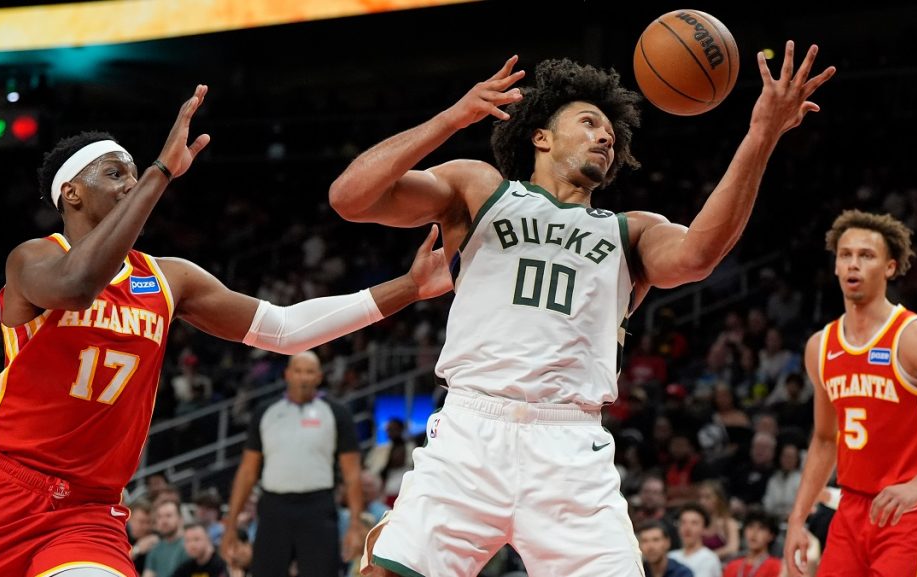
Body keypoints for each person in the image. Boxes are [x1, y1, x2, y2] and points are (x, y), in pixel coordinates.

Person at [329, 41, 834, 577]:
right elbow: (350, 197)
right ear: (541, 137)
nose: (605, 137)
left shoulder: (631, 231)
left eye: (611, 134)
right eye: (590, 123)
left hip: (570, 449)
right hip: (471, 432)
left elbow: (698, 255)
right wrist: (451, 119)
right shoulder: (479, 190)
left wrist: (761, 135)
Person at [0, 85, 453, 577]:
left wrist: (410, 287)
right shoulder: (33, 258)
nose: (131, 183)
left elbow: (286, 329)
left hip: (88, 513)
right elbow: (78, 286)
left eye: (135, 174)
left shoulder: (169, 278)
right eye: (115, 173)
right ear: (71, 193)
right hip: (5, 488)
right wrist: (160, 172)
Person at [783, 210, 917, 577]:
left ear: (890, 267)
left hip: (913, 509)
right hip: (852, 508)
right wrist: (798, 518)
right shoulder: (820, 346)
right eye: (845, 255)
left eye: (866, 255)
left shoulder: (916, 337)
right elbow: (825, 439)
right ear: (835, 266)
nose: (853, 264)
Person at [221, 350, 363, 577]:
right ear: (287, 374)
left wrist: (355, 523)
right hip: (273, 507)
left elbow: (352, 473)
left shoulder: (337, 413)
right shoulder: (265, 412)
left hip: (318, 507)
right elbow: (247, 471)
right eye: (298, 371)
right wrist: (230, 525)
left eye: (309, 372)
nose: (303, 377)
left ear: (319, 376)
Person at [722, 508, 782, 577]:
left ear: (771, 536)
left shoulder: (776, 566)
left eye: (761, 528)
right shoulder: (732, 566)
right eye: (750, 527)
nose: (754, 533)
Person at [669, 503, 723, 577]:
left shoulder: (709, 559)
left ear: (704, 528)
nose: (687, 528)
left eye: (694, 523)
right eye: (683, 522)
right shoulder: (671, 557)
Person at [144, 499, 191, 577]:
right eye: (159, 517)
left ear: (180, 519)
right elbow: (148, 574)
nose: (163, 521)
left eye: (168, 516)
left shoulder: (189, 546)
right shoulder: (155, 549)